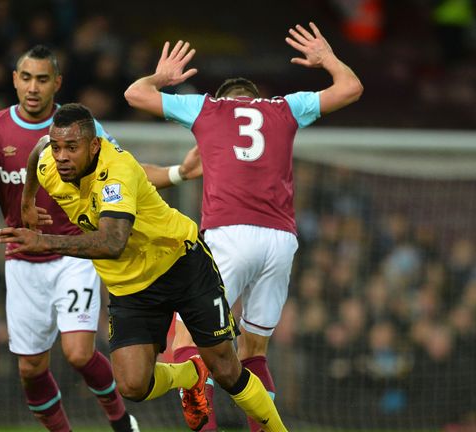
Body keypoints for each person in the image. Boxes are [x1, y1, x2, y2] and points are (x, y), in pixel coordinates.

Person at [124, 22, 363, 432]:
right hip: (280, 241)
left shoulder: (206, 108)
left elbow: (135, 94)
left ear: (224, 99)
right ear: (257, 99)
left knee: (187, 342)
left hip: (228, 235)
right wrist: (327, 59)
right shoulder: (285, 107)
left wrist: (160, 78)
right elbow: (351, 89)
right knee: (254, 352)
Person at [0, 103, 289, 432]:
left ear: (94, 146)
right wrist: (27, 201)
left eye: (72, 148)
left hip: (180, 263)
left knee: (226, 370)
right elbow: (38, 151)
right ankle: (190, 374)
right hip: (129, 287)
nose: (62, 156)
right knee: (132, 385)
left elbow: (112, 242)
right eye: (58, 146)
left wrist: (43, 241)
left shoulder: (116, 171)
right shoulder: (50, 158)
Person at [0, 45, 138, 432]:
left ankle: (122, 423)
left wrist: (170, 173)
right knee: (31, 367)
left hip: (74, 253)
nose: (33, 87)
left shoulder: (80, 128)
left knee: (78, 353)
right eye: (26, 78)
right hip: (23, 261)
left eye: (42, 79)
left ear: (57, 83)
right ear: (15, 80)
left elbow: (125, 169)